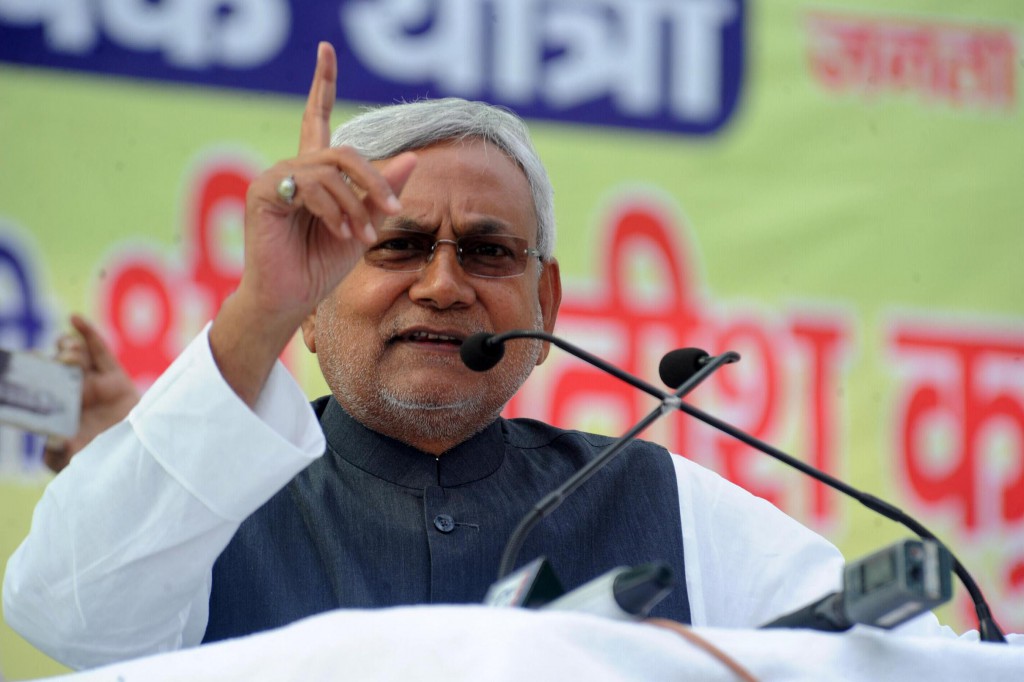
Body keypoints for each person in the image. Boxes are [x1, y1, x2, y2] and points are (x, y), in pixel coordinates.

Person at [1, 43, 963, 671]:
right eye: (400, 246)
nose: (444, 283)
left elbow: (911, 657)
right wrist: (257, 312)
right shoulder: (208, 507)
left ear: (544, 305)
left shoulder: (658, 499)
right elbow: (65, 615)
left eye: (490, 252)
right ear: (312, 299)